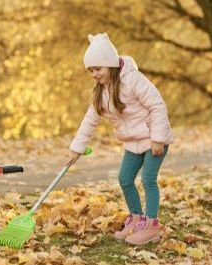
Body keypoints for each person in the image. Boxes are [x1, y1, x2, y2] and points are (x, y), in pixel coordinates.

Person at [67, 33, 174, 245]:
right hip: (133, 143)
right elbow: (90, 120)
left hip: (154, 140)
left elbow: (157, 105)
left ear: (110, 64)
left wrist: (158, 138)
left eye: (97, 69)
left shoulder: (133, 80)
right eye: (91, 71)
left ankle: (151, 226)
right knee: (124, 179)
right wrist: (76, 148)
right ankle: (136, 219)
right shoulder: (101, 92)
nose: (94, 74)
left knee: (148, 179)